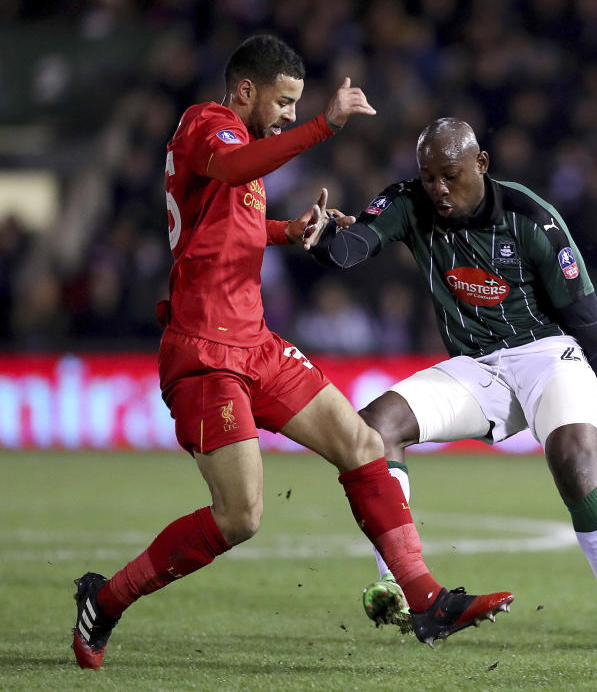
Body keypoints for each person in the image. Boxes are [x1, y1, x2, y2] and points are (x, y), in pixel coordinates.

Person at [71, 35, 513, 670]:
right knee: (240, 516)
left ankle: (427, 599)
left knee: (362, 444)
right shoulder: (208, 126)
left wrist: (289, 230)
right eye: (283, 102)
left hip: (256, 343)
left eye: (296, 106)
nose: (285, 114)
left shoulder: (240, 147)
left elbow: (228, 225)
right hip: (206, 354)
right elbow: (228, 172)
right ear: (246, 90)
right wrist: (323, 125)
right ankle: (107, 598)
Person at [308, 118, 597, 675]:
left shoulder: (531, 218)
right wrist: (320, 236)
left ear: (481, 165)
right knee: (373, 428)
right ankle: (400, 585)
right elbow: (350, 249)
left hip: (548, 354)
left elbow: (595, 335)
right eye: (428, 177)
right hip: (476, 367)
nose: (437, 189)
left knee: (572, 459)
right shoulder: (409, 201)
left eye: (450, 175)